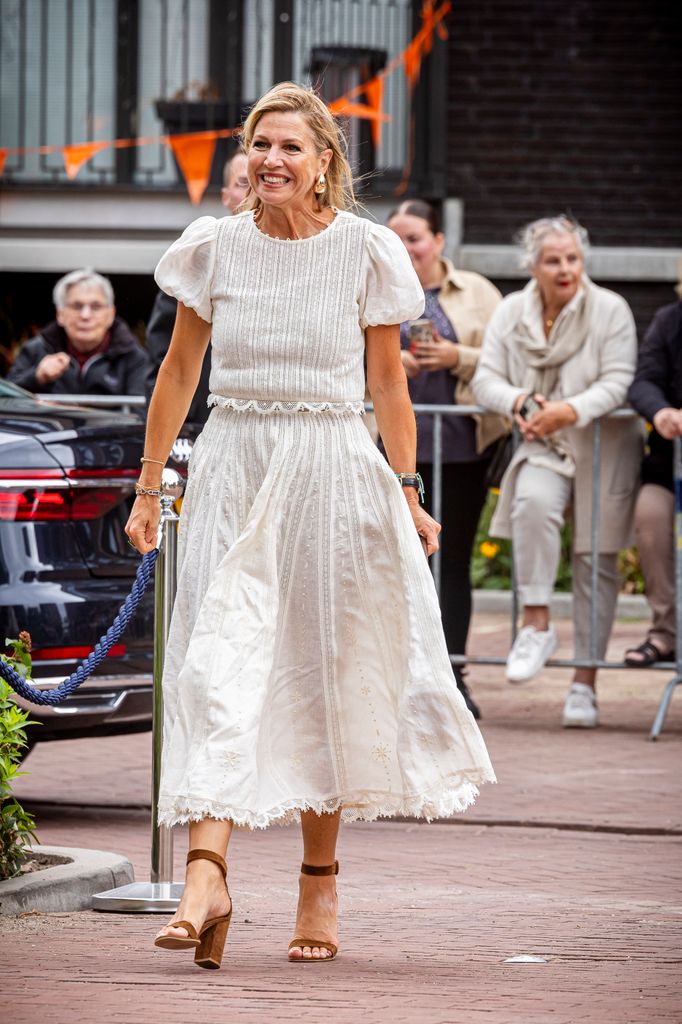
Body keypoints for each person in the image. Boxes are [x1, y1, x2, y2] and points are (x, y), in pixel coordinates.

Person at [126, 82, 494, 968]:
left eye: (291, 146)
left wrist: (406, 490)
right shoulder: (212, 247)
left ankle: (317, 882)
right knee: (219, 662)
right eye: (260, 145)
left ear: (326, 161)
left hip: (332, 473)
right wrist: (148, 486)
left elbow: (390, 386)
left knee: (319, 674)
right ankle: (205, 874)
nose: (271, 160)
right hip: (234, 466)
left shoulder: (367, 252)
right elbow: (179, 374)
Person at [472, 215, 642, 728]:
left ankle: (584, 684)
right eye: (553, 260)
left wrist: (569, 409)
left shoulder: (611, 309)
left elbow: (619, 380)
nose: (565, 268)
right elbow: (486, 380)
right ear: (533, 265)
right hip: (542, 441)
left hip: (602, 444)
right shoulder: (511, 311)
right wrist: (521, 400)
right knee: (532, 502)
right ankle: (537, 622)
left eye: (572, 258)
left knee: (595, 560)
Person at [387, 199, 507, 719]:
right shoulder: (376, 287)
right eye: (396, 238)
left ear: (438, 240)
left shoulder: (478, 292)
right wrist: (396, 365)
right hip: (391, 450)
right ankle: (399, 676)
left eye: (414, 237)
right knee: (392, 563)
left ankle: (454, 676)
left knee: (450, 563)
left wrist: (458, 358)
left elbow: (508, 360)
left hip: (460, 448)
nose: (406, 248)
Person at [144, 151, 250, 424]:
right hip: (202, 422)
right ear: (226, 196)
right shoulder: (200, 257)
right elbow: (166, 361)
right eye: (243, 183)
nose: (253, 192)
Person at [624, 299, 682, 666]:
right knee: (651, 515)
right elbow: (643, 381)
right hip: (669, 466)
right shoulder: (669, 319)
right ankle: (666, 632)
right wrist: (660, 411)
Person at [7, 269, 149, 401]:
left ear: (110, 314)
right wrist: (37, 377)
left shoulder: (133, 356)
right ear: (60, 314)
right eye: (76, 306)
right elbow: (5, 400)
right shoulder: (35, 350)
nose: (85, 316)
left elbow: (143, 414)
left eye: (96, 307)